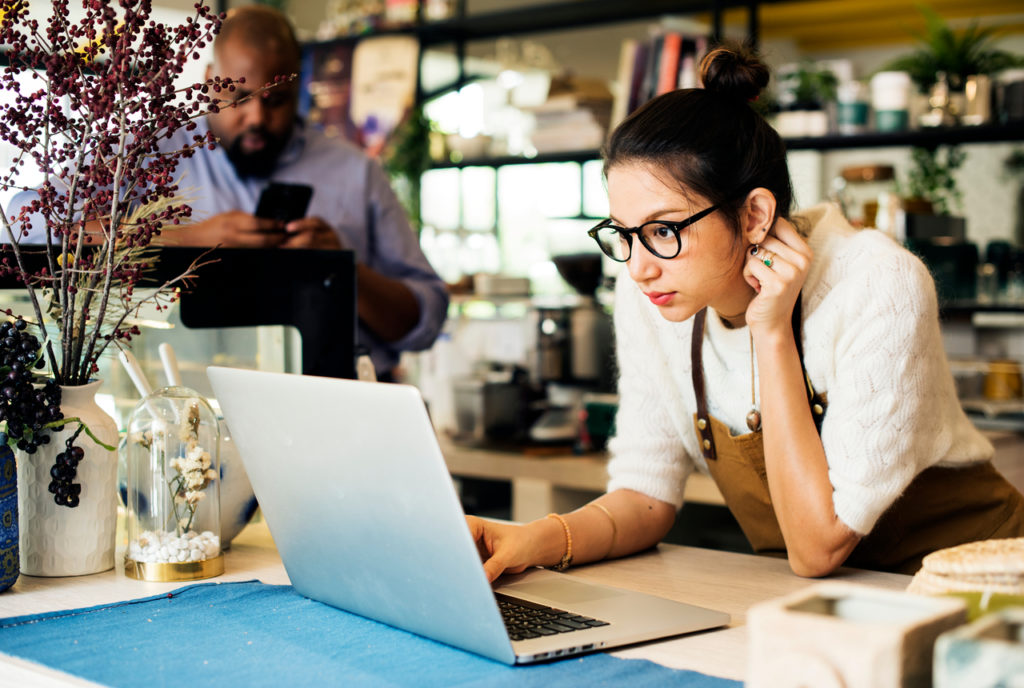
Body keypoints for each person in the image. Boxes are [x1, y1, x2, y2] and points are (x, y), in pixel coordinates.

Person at [467, 44, 1024, 580]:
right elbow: (644, 495)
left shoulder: (878, 284)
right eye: (623, 234)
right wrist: (528, 541)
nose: (637, 268)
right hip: (831, 600)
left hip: (982, 588)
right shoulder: (651, 291)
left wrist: (771, 331)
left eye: (663, 230)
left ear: (755, 214)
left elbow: (817, 545)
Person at [6, 6, 448, 379]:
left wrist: (341, 269)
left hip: (338, 401)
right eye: (238, 96)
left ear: (299, 86)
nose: (257, 117)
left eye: (276, 99)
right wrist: (184, 237)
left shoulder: (355, 172)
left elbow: (426, 318)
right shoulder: (150, 153)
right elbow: (29, 219)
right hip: (188, 412)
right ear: (211, 78)